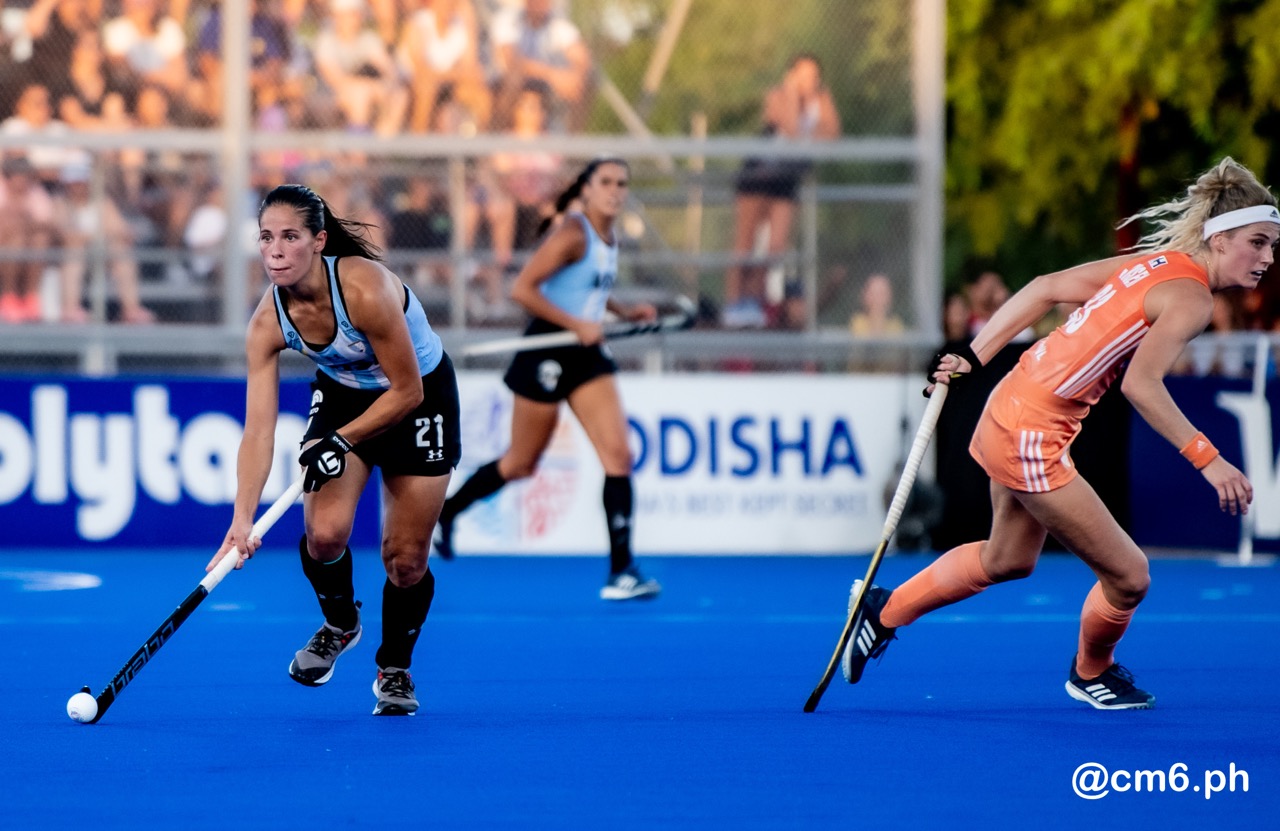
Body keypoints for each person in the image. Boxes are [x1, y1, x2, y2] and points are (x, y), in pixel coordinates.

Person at [842, 157, 1269, 709]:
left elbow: (1045, 287)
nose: (1267, 259)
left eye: (1272, 247)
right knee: (1130, 576)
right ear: (1222, 236)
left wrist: (975, 356)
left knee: (1008, 560)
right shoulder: (1193, 298)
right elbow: (1142, 385)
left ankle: (881, 612)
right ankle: (1092, 672)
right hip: (1030, 432)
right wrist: (1208, 459)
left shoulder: (1156, 264)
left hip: (1013, 405)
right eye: (1257, 243)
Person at [209, 184, 461, 716]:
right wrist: (242, 519)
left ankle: (394, 668)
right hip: (346, 398)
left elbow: (408, 390)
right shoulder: (267, 323)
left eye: (290, 237)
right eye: (266, 237)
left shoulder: (364, 289)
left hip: (419, 395)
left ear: (319, 241)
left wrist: (341, 442)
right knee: (324, 537)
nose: (275, 250)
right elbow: (258, 431)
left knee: (406, 560)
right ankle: (341, 623)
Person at [433, 157, 662, 601]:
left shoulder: (608, 236)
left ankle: (622, 570)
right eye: (607, 183)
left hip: (587, 354)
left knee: (619, 455)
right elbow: (524, 289)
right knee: (521, 462)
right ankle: (448, 511)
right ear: (587, 190)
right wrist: (575, 325)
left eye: (622, 183)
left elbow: (587, 287)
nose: (616, 190)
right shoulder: (574, 232)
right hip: (547, 350)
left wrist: (622, 311)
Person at [723, 54, 839, 329]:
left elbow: (832, 134)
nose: (810, 81)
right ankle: (733, 303)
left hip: (787, 177)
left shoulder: (821, 99)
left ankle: (754, 300)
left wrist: (808, 132)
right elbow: (788, 125)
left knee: (775, 247)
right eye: (803, 74)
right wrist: (793, 97)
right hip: (760, 171)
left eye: (814, 75)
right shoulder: (778, 95)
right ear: (791, 75)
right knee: (745, 242)